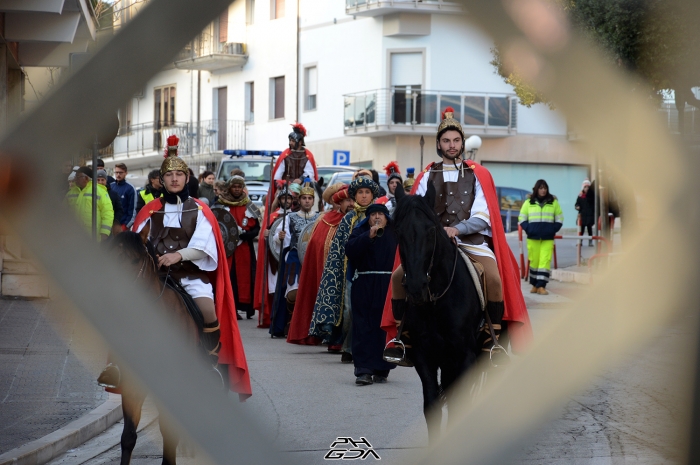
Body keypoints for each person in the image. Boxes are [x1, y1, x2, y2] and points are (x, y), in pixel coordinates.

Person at [382, 107, 532, 363]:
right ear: (438, 144)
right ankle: (402, 336)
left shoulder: (478, 174)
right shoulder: (427, 174)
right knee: (398, 277)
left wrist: (457, 229)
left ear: (462, 143)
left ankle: (491, 337)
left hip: (471, 242)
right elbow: (415, 212)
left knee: (493, 278)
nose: (451, 145)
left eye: (456, 140)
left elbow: (483, 215)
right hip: (433, 244)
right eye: (446, 141)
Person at [131, 134, 251, 399]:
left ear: (187, 179)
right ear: (162, 180)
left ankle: (209, 364)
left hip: (189, 276)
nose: (174, 179)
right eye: (169, 175)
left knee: (207, 310)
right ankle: (119, 365)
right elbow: (135, 244)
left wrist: (179, 255)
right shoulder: (149, 210)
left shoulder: (198, 209)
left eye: (179, 174)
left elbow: (205, 245)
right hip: (157, 277)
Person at [254, 123, 318, 326]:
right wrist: (284, 186)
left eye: (294, 140)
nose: (291, 143)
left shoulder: (307, 155)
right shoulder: (284, 155)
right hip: (287, 189)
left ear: (300, 140)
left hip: (301, 188)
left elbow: (312, 176)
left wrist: (301, 181)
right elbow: (276, 177)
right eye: (290, 140)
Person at [309, 176, 380, 361]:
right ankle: (348, 348)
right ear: (354, 196)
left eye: (367, 192)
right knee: (350, 311)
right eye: (360, 193)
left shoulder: (379, 215)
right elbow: (339, 248)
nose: (364, 196)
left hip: (374, 272)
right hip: (350, 272)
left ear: (373, 195)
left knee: (372, 312)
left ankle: (368, 349)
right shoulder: (348, 218)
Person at [286, 183, 352, 346]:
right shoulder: (325, 220)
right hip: (327, 273)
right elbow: (315, 246)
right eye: (344, 200)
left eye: (351, 199)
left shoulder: (358, 219)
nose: (348, 203)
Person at [345, 203, 397, 385]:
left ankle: (382, 368)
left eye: (380, 214)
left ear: (386, 216)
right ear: (368, 218)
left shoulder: (395, 232)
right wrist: (369, 236)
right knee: (363, 325)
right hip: (365, 284)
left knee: (384, 325)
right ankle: (363, 370)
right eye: (373, 214)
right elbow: (349, 250)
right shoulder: (360, 232)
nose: (377, 217)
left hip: (388, 284)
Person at [269, 180, 319, 337]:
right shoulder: (289, 217)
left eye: (309, 199)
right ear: (300, 200)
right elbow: (276, 237)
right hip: (293, 258)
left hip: (312, 260)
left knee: (312, 293)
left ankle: (310, 328)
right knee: (290, 293)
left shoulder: (319, 218)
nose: (307, 201)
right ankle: (284, 326)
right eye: (304, 198)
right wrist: (279, 236)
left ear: (313, 201)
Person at [216, 175, 260, 319]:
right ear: (229, 187)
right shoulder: (221, 204)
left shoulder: (249, 205)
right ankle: (231, 309)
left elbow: (256, 229)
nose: (236, 189)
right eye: (234, 186)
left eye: (239, 187)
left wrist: (244, 234)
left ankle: (247, 308)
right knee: (231, 278)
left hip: (244, 248)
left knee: (246, 277)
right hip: (227, 249)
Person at [256, 187, 294, 328]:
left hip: (291, 259)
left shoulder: (295, 216)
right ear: (280, 200)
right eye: (284, 198)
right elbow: (266, 239)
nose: (287, 201)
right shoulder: (272, 217)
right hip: (274, 258)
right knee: (274, 289)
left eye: (289, 198)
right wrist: (267, 236)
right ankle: (272, 317)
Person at [518, 179, 563, 295]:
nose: (543, 190)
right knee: (534, 261)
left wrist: (552, 229)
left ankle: (541, 286)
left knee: (545, 261)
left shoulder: (553, 202)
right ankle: (534, 285)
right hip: (533, 237)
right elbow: (522, 218)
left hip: (548, 238)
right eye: (541, 188)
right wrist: (529, 229)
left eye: (545, 188)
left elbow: (559, 218)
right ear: (536, 189)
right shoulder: (529, 202)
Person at [65, 166, 114, 241]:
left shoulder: (99, 191)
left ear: (86, 178)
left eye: (78, 177)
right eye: (76, 176)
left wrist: (104, 232)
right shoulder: (71, 192)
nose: (75, 179)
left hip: (92, 236)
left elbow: (107, 212)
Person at [110, 163, 137, 231]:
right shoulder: (110, 186)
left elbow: (133, 210)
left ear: (126, 173)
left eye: (120, 172)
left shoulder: (130, 188)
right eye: (116, 172)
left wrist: (126, 226)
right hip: (109, 225)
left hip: (122, 226)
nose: (118, 175)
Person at [97, 169, 123, 236]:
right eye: (98, 180)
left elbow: (119, 209)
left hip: (109, 228)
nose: (100, 182)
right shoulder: (91, 193)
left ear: (106, 181)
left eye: (102, 180)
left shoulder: (113, 194)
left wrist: (115, 222)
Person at [575, 179, 595, 247]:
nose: (586, 188)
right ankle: (580, 242)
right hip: (582, 215)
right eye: (585, 187)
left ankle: (590, 241)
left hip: (589, 215)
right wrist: (577, 207)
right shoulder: (580, 195)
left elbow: (594, 205)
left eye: (588, 187)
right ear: (583, 187)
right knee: (581, 230)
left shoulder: (592, 196)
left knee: (590, 229)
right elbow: (577, 203)